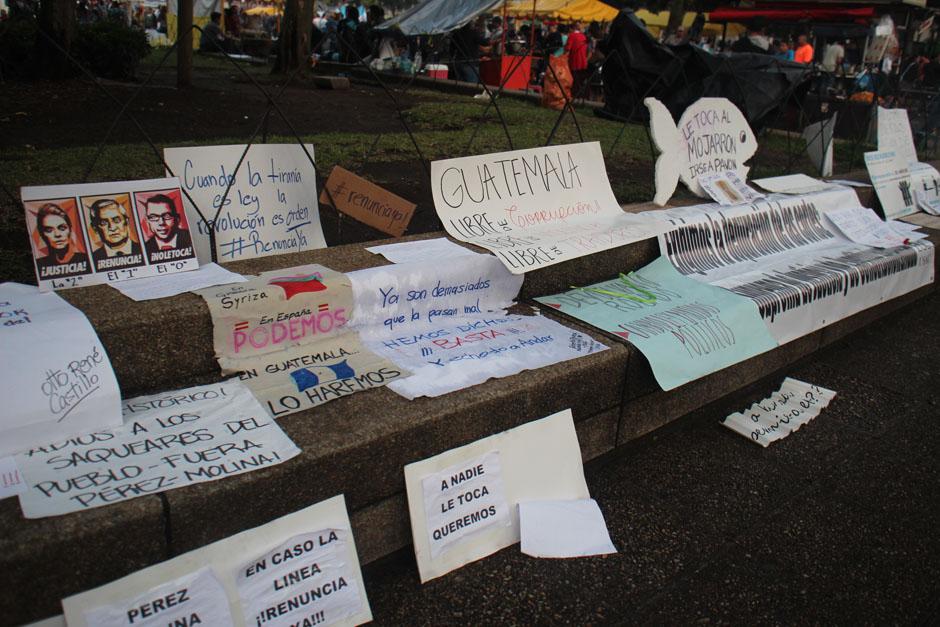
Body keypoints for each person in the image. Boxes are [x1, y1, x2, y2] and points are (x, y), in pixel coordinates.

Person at [34, 203, 90, 279]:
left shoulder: (88, 260)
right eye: (49, 230)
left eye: (62, 228)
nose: (57, 234)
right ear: (42, 234)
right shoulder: (40, 265)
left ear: (70, 230)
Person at [88, 198, 144, 270]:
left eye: (117, 220)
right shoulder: (92, 259)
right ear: (95, 228)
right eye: (103, 223)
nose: (112, 227)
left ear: (126, 222)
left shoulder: (145, 250)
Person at [141, 194, 194, 264]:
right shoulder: (144, 249)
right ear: (147, 222)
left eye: (167, 216)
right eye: (153, 217)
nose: (161, 222)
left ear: (177, 219)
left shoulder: (190, 239)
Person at [565, 21, 589, 97]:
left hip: (574, 61)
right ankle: (580, 96)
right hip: (583, 62)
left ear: (571, 28)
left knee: (574, 81)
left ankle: (573, 96)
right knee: (580, 81)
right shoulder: (583, 36)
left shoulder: (571, 36)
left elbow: (567, 49)